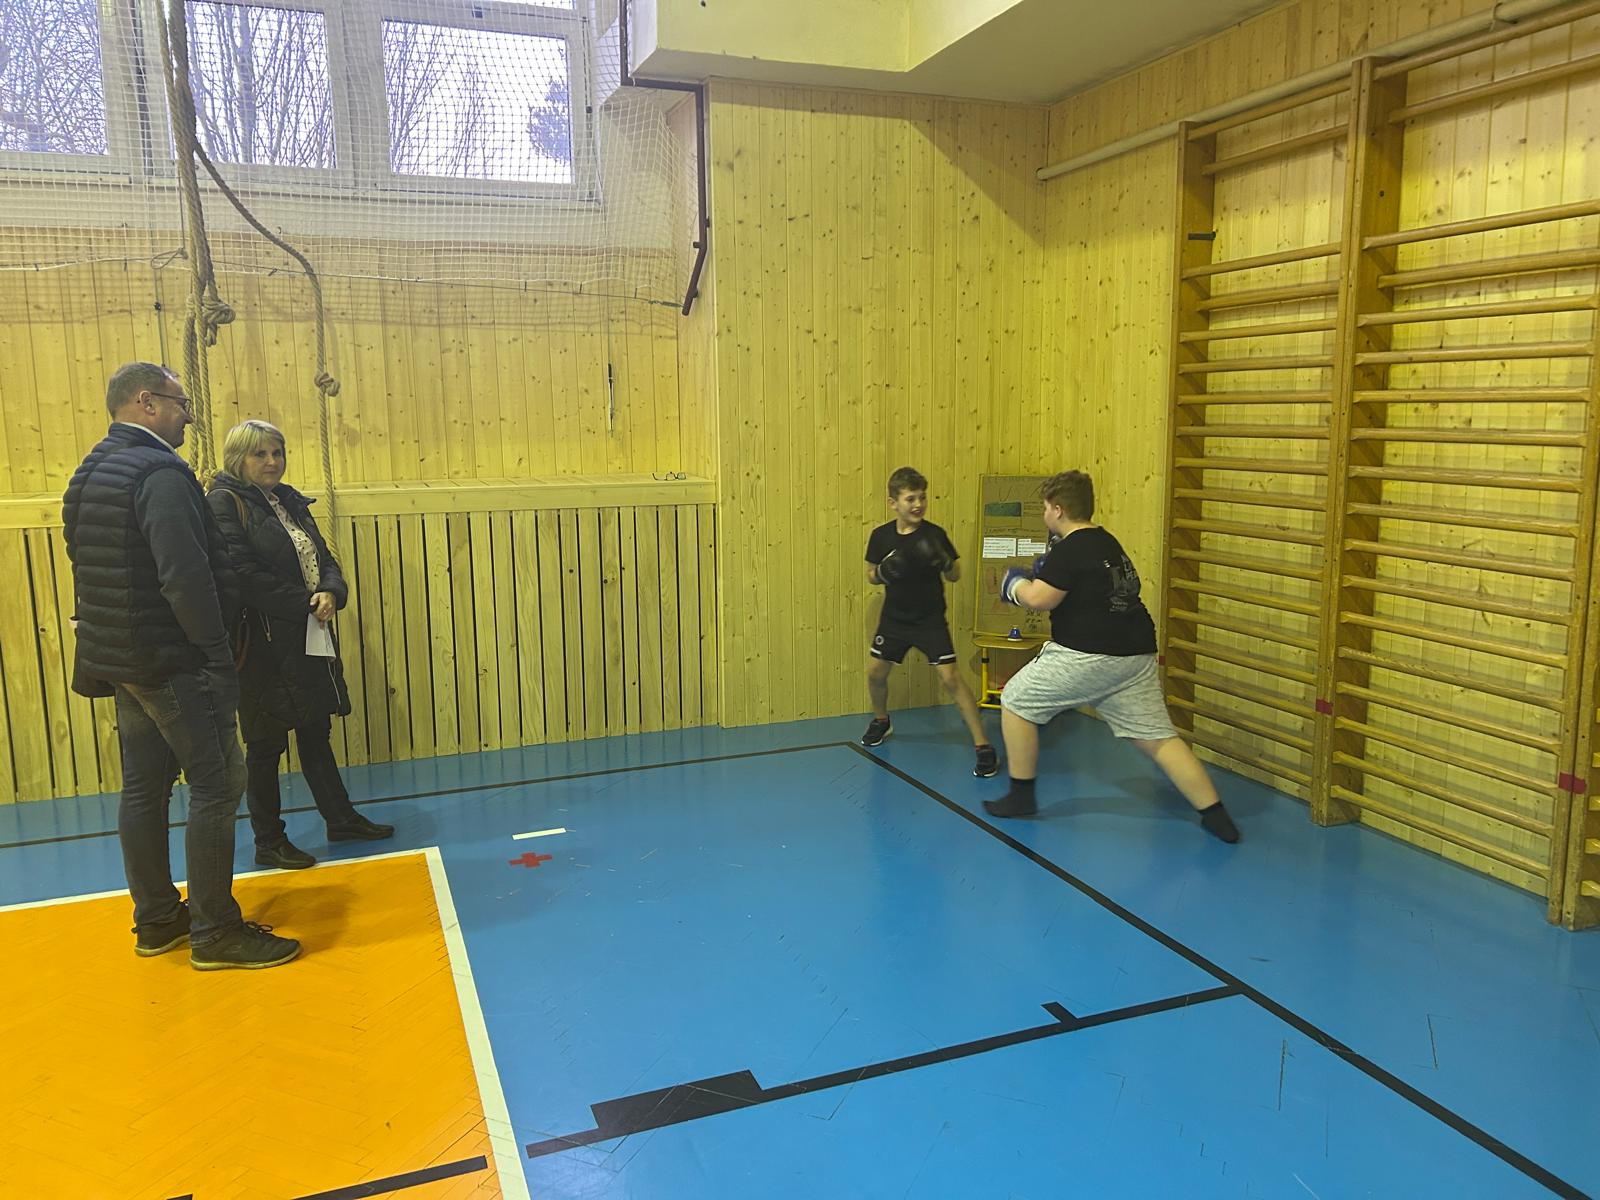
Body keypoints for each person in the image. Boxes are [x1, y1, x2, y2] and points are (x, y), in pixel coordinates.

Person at [62, 363, 301, 969]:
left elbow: (86, 562)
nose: (189, 416)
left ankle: (157, 919)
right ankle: (216, 932)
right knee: (218, 783)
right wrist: (216, 654)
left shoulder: (92, 469)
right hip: (174, 659)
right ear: (146, 402)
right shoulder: (160, 473)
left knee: (144, 787)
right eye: (180, 403)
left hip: (122, 657)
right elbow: (185, 578)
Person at [987, 470, 1239, 843]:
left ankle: (1021, 796)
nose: (1044, 514)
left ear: (1058, 510)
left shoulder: (1070, 548)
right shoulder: (1107, 542)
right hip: (1135, 655)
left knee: (1015, 701)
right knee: (1158, 737)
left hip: (1089, 654)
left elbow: (1040, 599)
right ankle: (1216, 815)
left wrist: (1015, 585)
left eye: (1045, 508)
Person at [207, 420, 393, 870]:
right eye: (260, 454)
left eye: (278, 453)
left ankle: (340, 818)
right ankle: (269, 840)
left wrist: (331, 592)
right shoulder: (224, 502)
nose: (272, 462)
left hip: (307, 633)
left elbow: (324, 558)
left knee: (315, 729)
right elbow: (241, 573)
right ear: (238, 459)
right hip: (260, 643)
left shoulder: (288, 500)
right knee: (265, 743)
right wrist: (306, 602)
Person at [862, 466, 999, 777]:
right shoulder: (881, 536)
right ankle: (881, 720)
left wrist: (945, 562)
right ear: (893, 503)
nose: (918, 504)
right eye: (910, 498)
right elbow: (870, 574)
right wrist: (882, 572)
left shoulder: (934, 535)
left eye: (922, 497)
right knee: (875, 674)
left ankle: (983, 745)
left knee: (951, 678)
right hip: (894, 620)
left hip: (929, 620)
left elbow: (955, 575)